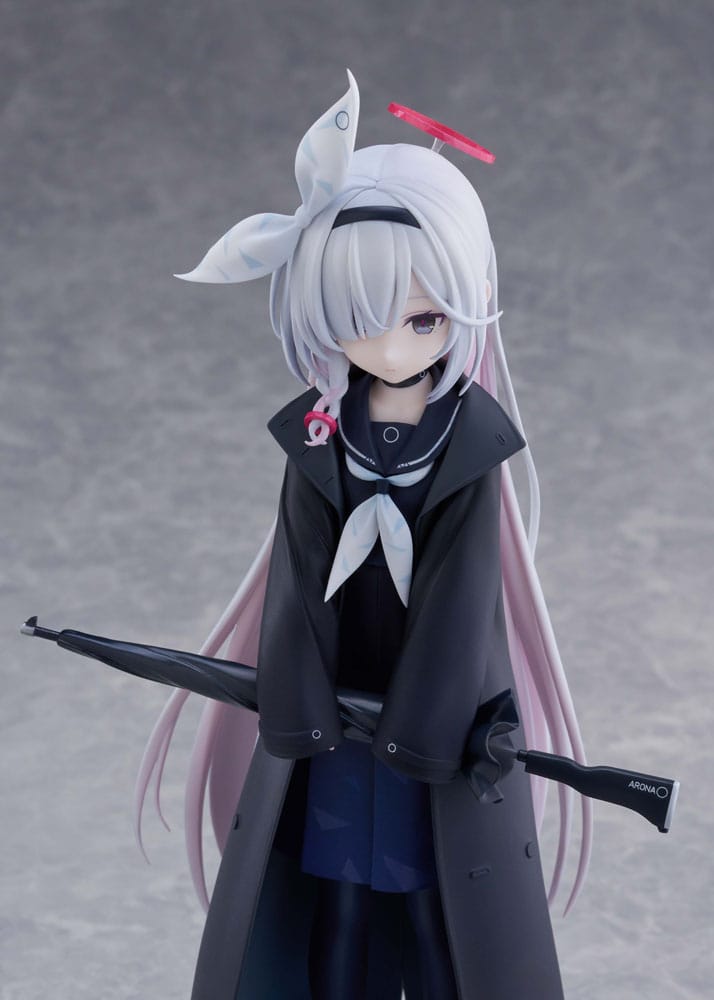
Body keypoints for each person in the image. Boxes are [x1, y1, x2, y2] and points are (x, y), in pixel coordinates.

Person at [136, 71, 592, 999]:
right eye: (361, 321)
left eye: (423, 318)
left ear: (464, 303)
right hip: (336, 719)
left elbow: (463, 596)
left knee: (433, 910)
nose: (391, 346)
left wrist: (426, 728)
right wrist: (302, 701)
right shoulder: (319, 435)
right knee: (337, 900)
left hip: (433, 722)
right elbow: (301, 573)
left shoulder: (469, 444)